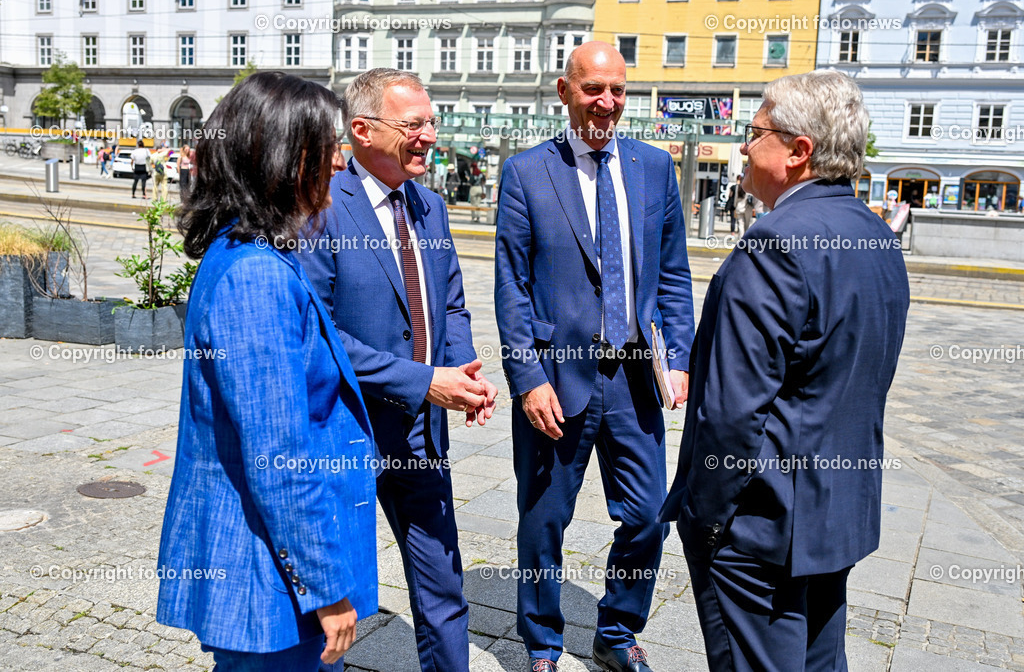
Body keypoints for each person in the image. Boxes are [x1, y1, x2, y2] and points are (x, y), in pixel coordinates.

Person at [660, 70, 910, 672]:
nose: (743, 147)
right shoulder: (874, 235)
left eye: (755, 132)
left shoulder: (774, 245)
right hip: (835, 512)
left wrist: (709, 520)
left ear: (799, 152)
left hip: (761, 526)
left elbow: (732, 408)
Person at [157, 71, 377, 671]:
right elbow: (278, 455)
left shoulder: (249, 252)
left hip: (265, 566)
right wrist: (327, 588)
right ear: (284, 157)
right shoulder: (256, 277)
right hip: (269, 580)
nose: (340, 161)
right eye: (326, 145)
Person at [494, 42, 694, 672]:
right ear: (564, 91)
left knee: (646, 515)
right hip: (558, 381)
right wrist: (527, 379)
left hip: (635, 378)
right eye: (592, 90)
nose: (606, 102)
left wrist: (680, 357)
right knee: (544, 520)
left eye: (617, 90)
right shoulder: (527, 172)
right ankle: (542, 642)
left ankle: (616, 631)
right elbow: (512, 287)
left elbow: (673, 277)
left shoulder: (654, 168)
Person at [297, 68, 498, 672]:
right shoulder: (324, 207)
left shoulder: (432, 208)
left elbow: (452, 301)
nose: (430, 136)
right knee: (333, 603)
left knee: (442, 584)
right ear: (362, 130)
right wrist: (424, 382)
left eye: (431, 123)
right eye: (414, 125)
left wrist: (460, 373)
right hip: (348, 434)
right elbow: (320, 337)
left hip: (421, 434)